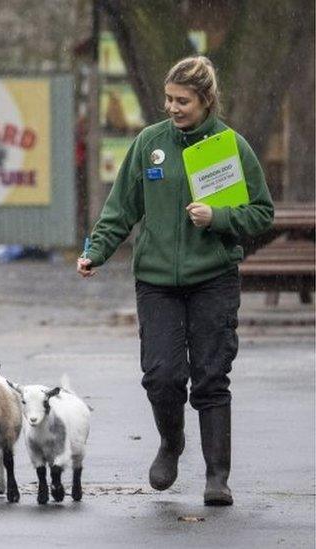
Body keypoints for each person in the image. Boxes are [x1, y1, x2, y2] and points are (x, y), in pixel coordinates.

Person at [78, 56, 273, 506]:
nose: (172, 107)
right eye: (168, 98)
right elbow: (120, 209)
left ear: (206, 100)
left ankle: (217, 477)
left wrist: (218, 216)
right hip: (157, 280)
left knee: (211, 375)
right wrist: (96, 252)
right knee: (162, 376)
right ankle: (171, 442)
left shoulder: (230, 146)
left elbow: (261, 213)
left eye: (182, 100)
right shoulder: (150, 144)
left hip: (213, 278)